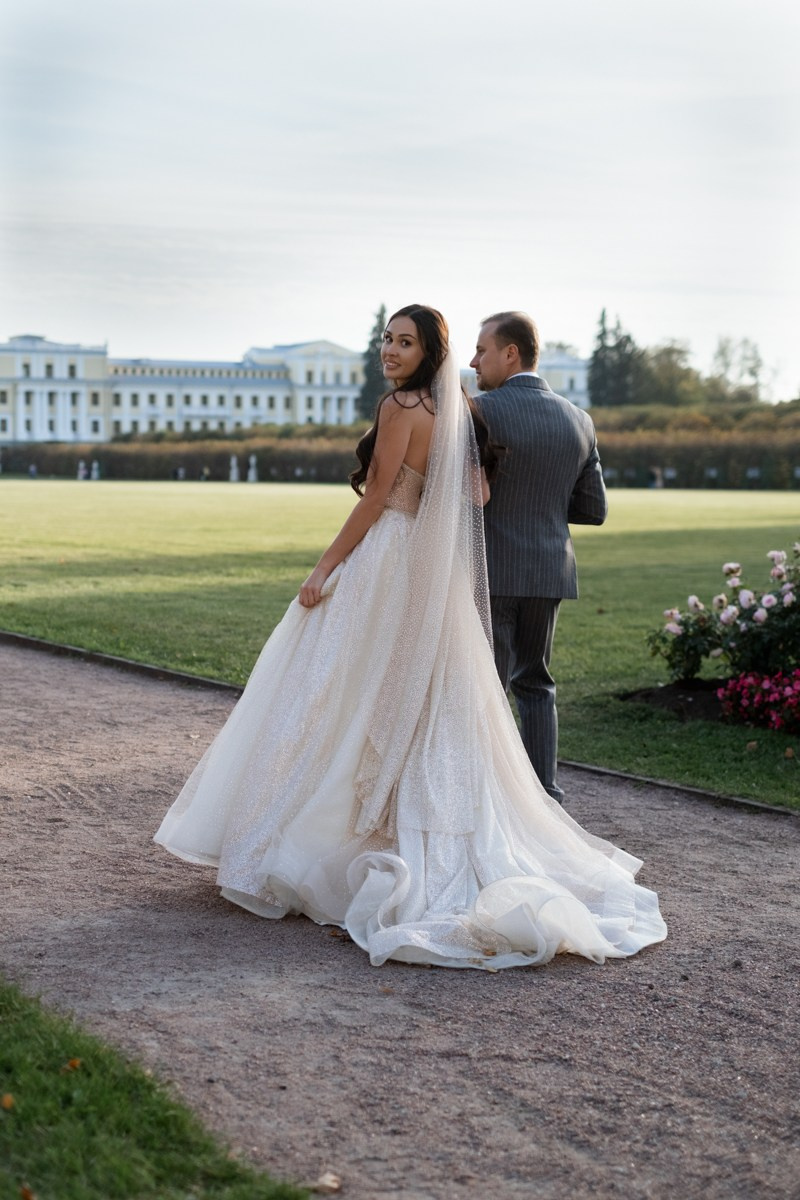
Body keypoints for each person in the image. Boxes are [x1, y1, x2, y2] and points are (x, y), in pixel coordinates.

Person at [155, 304, 665, 970]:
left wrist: (324, 565)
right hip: (438, 568)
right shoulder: (458, 407)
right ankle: (405, 813)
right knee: (427, 695)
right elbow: (476, 498)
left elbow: (373, 499)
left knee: (346, 686)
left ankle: (341, 826)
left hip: (390, 556)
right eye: (386, 339)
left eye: (404, 341)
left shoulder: (401, 405)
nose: (389, 350)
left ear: (429, 350)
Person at [471, 312, 608, 804]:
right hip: (550, 570)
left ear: (511, 353)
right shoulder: (579, 420)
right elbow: (593, 509)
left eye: (482, 350)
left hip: (490, 568)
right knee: (536, 683)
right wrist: (545, 507)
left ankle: (485, 795)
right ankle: (544, 794)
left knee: (485, 685)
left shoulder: (478, 411)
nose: (473, 361)